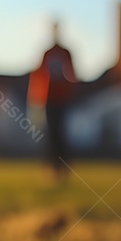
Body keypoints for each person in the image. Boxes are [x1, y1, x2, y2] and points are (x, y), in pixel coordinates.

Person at [29, 21, 78, 179]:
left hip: (62, 99)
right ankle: (53, 168)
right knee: (50, 134)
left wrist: (69, 91)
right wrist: (35, 98)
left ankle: (63, 168)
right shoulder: (47, 53)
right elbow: (38, 76)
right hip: (48, 99)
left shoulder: (65, 52)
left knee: (60, 133)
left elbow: (72, 75)